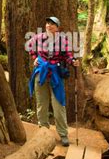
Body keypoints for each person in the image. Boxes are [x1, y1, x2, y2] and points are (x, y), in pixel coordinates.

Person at [26, 16, 79, 146]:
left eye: (52, 24)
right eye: (48, 23)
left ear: (57, 27)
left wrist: (73, 62)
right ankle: (43, 132)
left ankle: (63, 134)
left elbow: (68, 55)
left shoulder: (63, 40)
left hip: (56, 74)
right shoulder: (38, 37)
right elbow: (30, 46)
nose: (49, 26)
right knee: (41, 104)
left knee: (58, 105)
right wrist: (35, 57)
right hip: (41, 73)